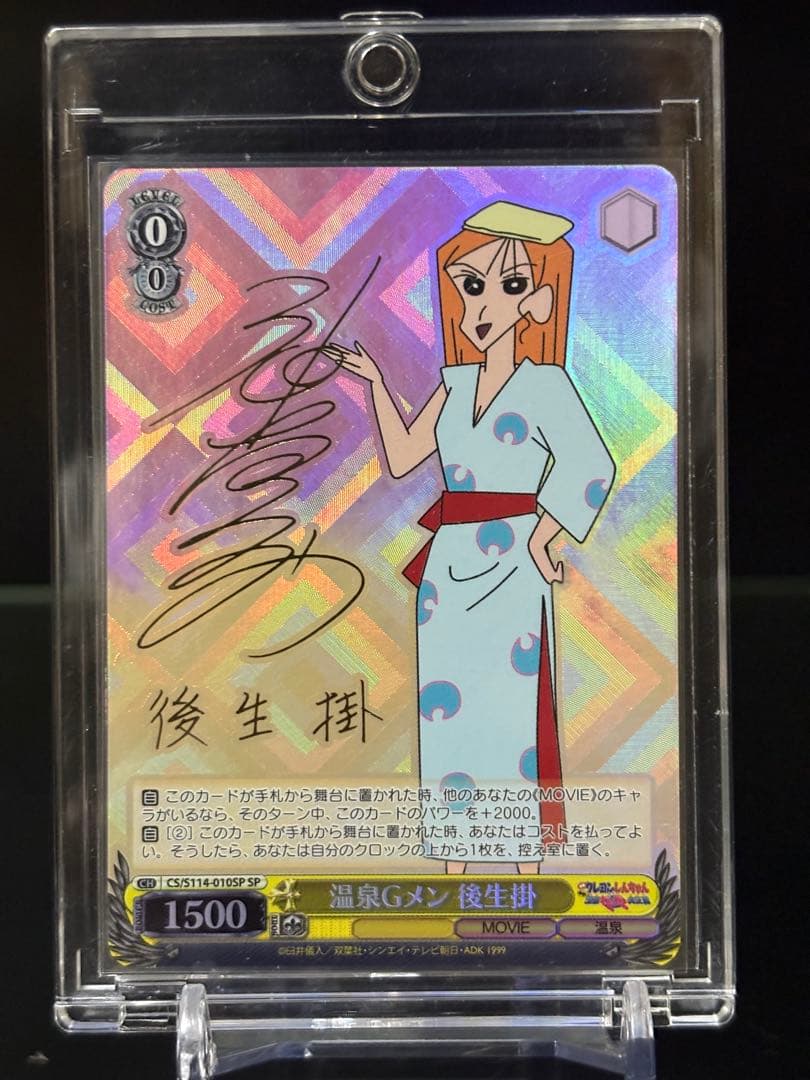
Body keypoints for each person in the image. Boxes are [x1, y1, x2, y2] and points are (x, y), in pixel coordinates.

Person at [324, 200, 615, 875]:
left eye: (508, 286)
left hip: (513, 559)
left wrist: (544, 537)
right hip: (448, 567)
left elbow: (591, 464)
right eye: (471, 286)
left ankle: (519, 858)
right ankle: (456, 856)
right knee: (446, 708)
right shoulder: (454, 385)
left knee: (510, 703)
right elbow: (404, 457)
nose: (482, 304)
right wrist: (376, 384)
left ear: (537, 303)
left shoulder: (545, 385)